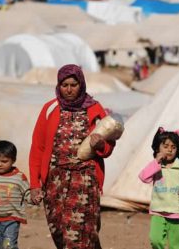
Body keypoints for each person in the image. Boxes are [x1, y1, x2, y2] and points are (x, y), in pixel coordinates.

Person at [29, 64, 116, 249]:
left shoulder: (94, 108)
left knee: (77, 231)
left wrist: (100, 144)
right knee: (59, 229)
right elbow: (38, 148)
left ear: (81, 84)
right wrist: (35, 185)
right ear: (58, 85)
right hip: (54, 180)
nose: (69, 89)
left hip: (84, 178)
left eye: (73, 85)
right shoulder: (49, 109)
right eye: (64, 85)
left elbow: (109, 145)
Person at [139, 128, 179, 249]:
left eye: (173, 147)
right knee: (155, 240)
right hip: (158, 211)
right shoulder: (156, 165)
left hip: (177, 212)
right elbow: (143, 177)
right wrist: (156, 162)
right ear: (158, 148)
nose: (169, 150)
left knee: (176, 245)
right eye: (165, 146)